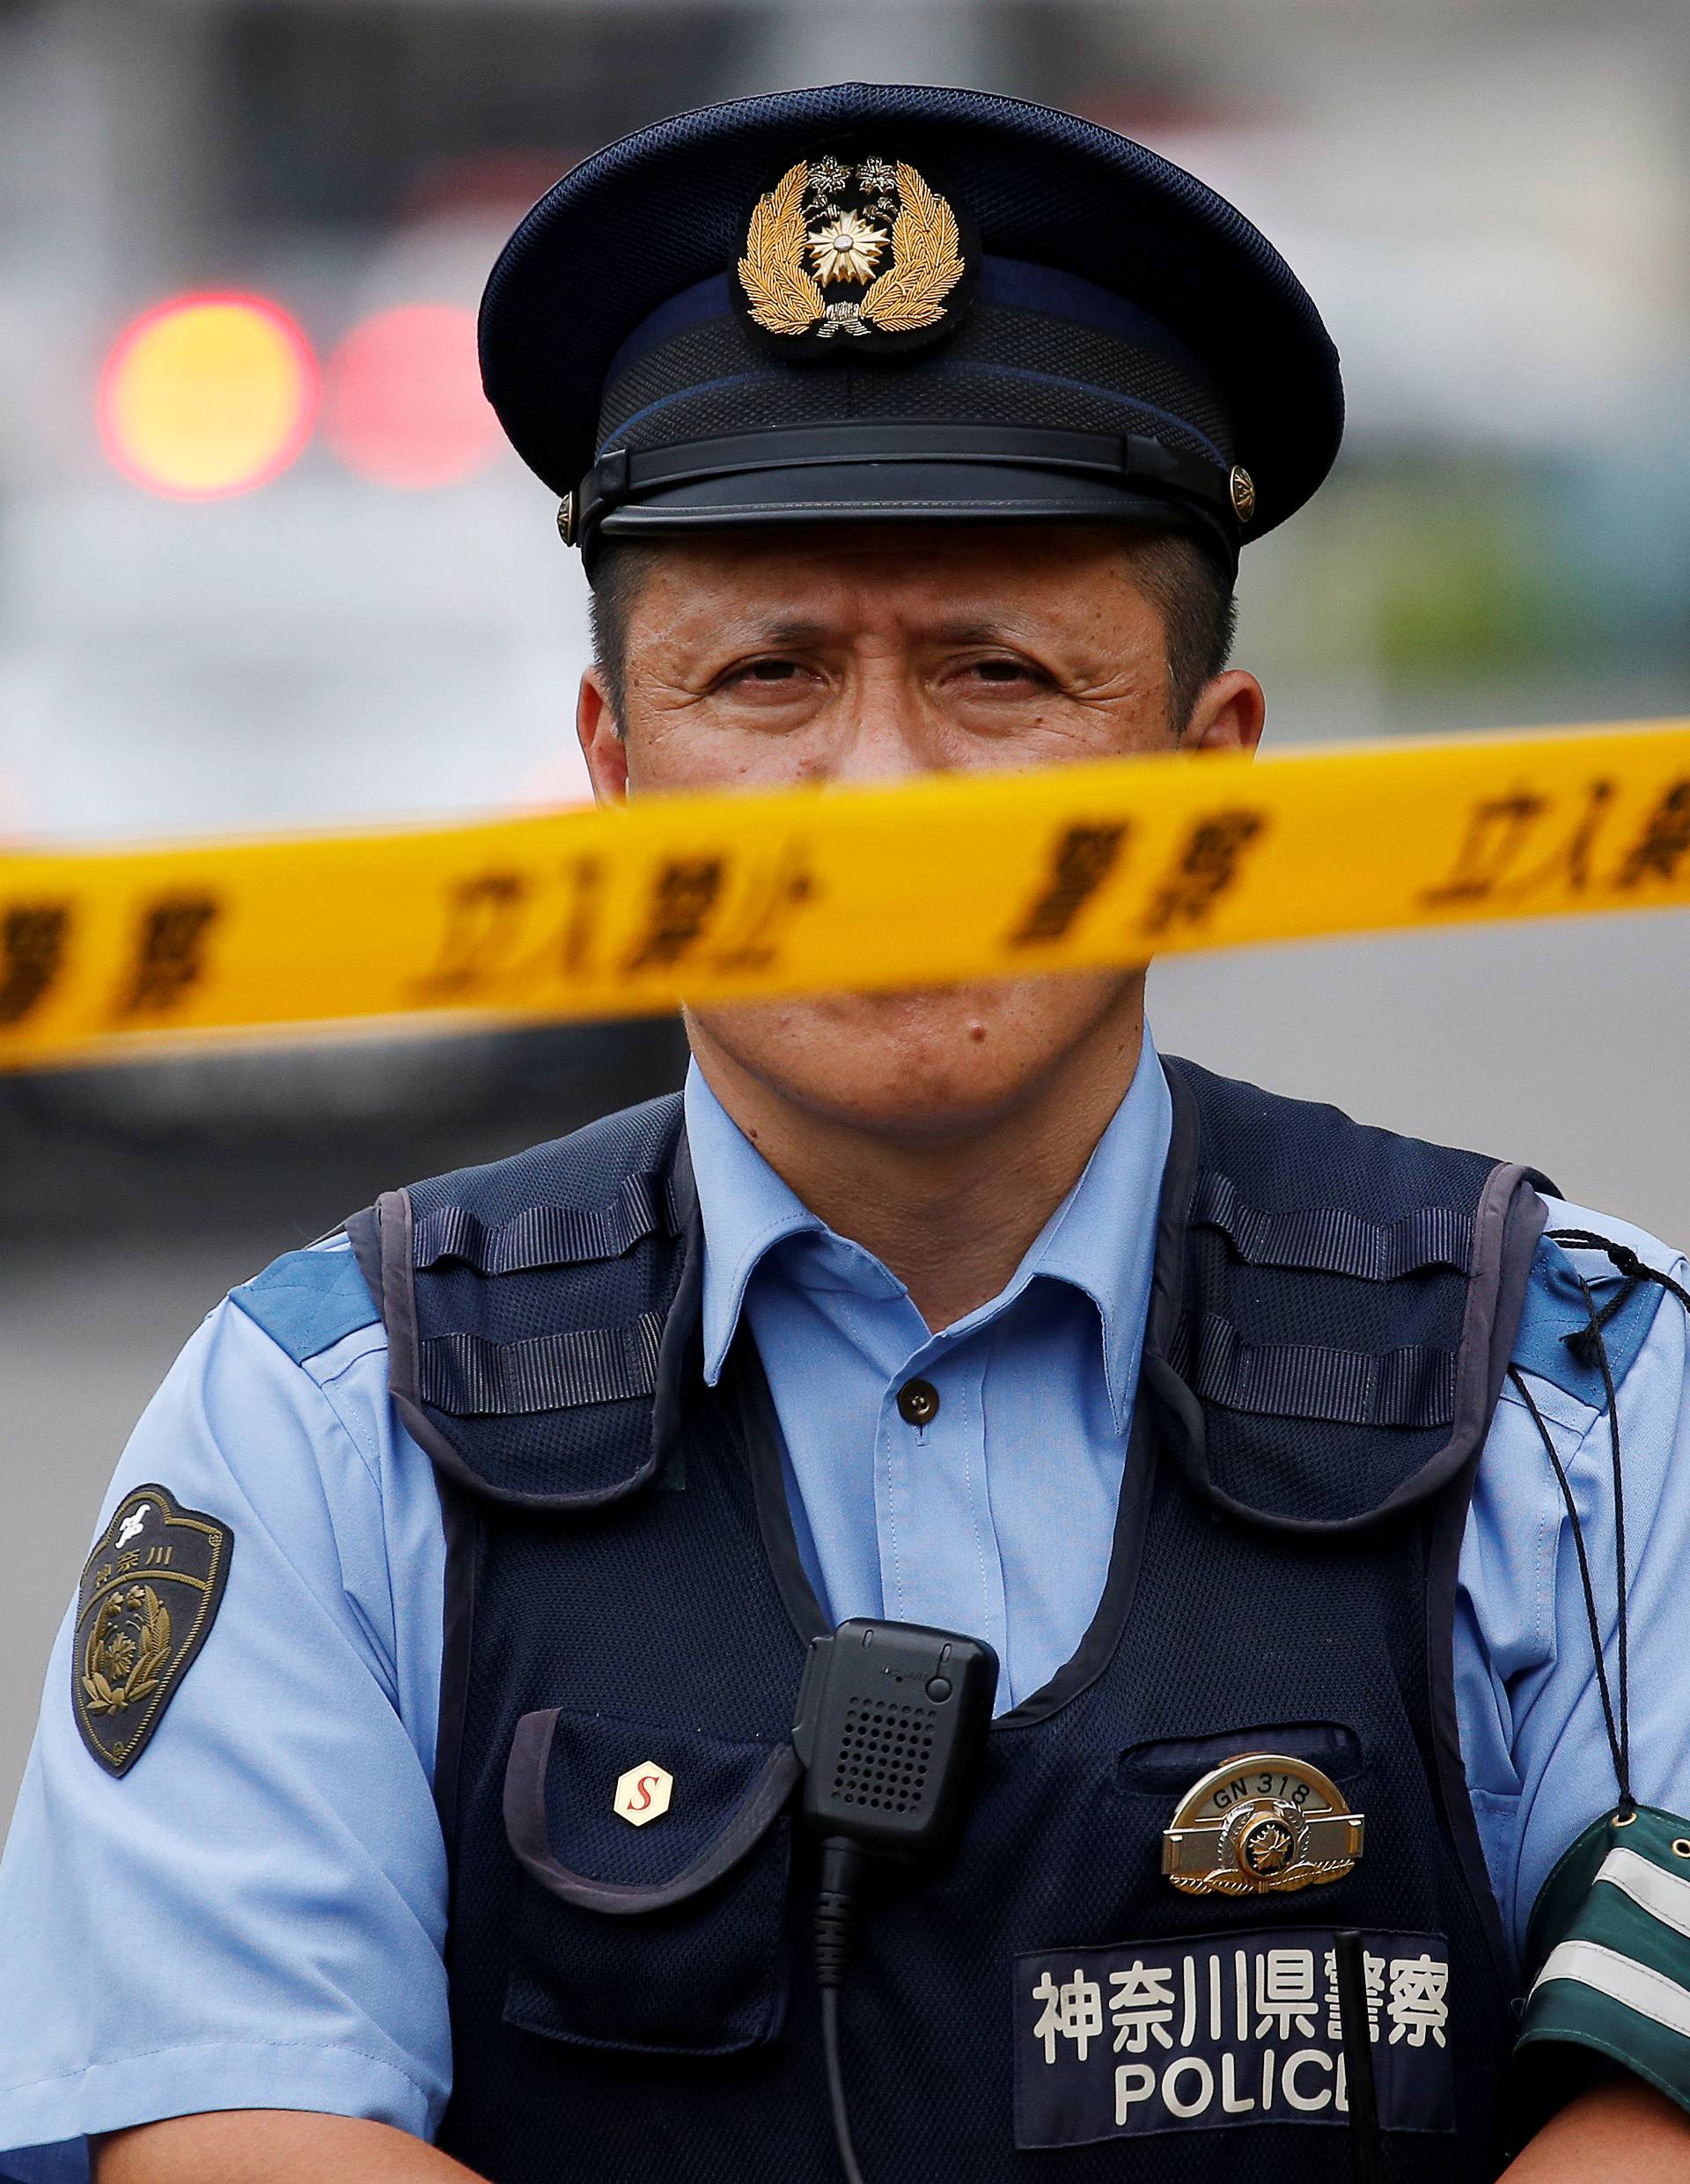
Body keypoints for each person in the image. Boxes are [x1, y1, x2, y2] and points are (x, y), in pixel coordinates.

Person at [3, 80, 1689, 2184]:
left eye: (999, 673)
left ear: (1217, 784)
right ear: (615, 773)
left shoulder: (1586, 1397)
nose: (877, 799)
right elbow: (231, 2133)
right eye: (770, 677)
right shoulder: (321, 1429)